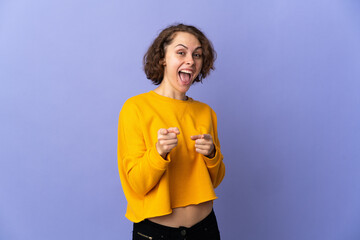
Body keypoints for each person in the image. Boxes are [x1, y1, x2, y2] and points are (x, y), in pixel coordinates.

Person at [117, 23, 225, 240]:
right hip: (156, 235)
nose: (191, 61)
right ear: (162, 58)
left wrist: (212, 155)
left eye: (197, 55)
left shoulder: (205, 112)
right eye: (181, 52)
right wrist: (158, 153)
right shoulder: (135, 108)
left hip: (205, 230)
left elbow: (216, 180)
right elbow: (137, 184)